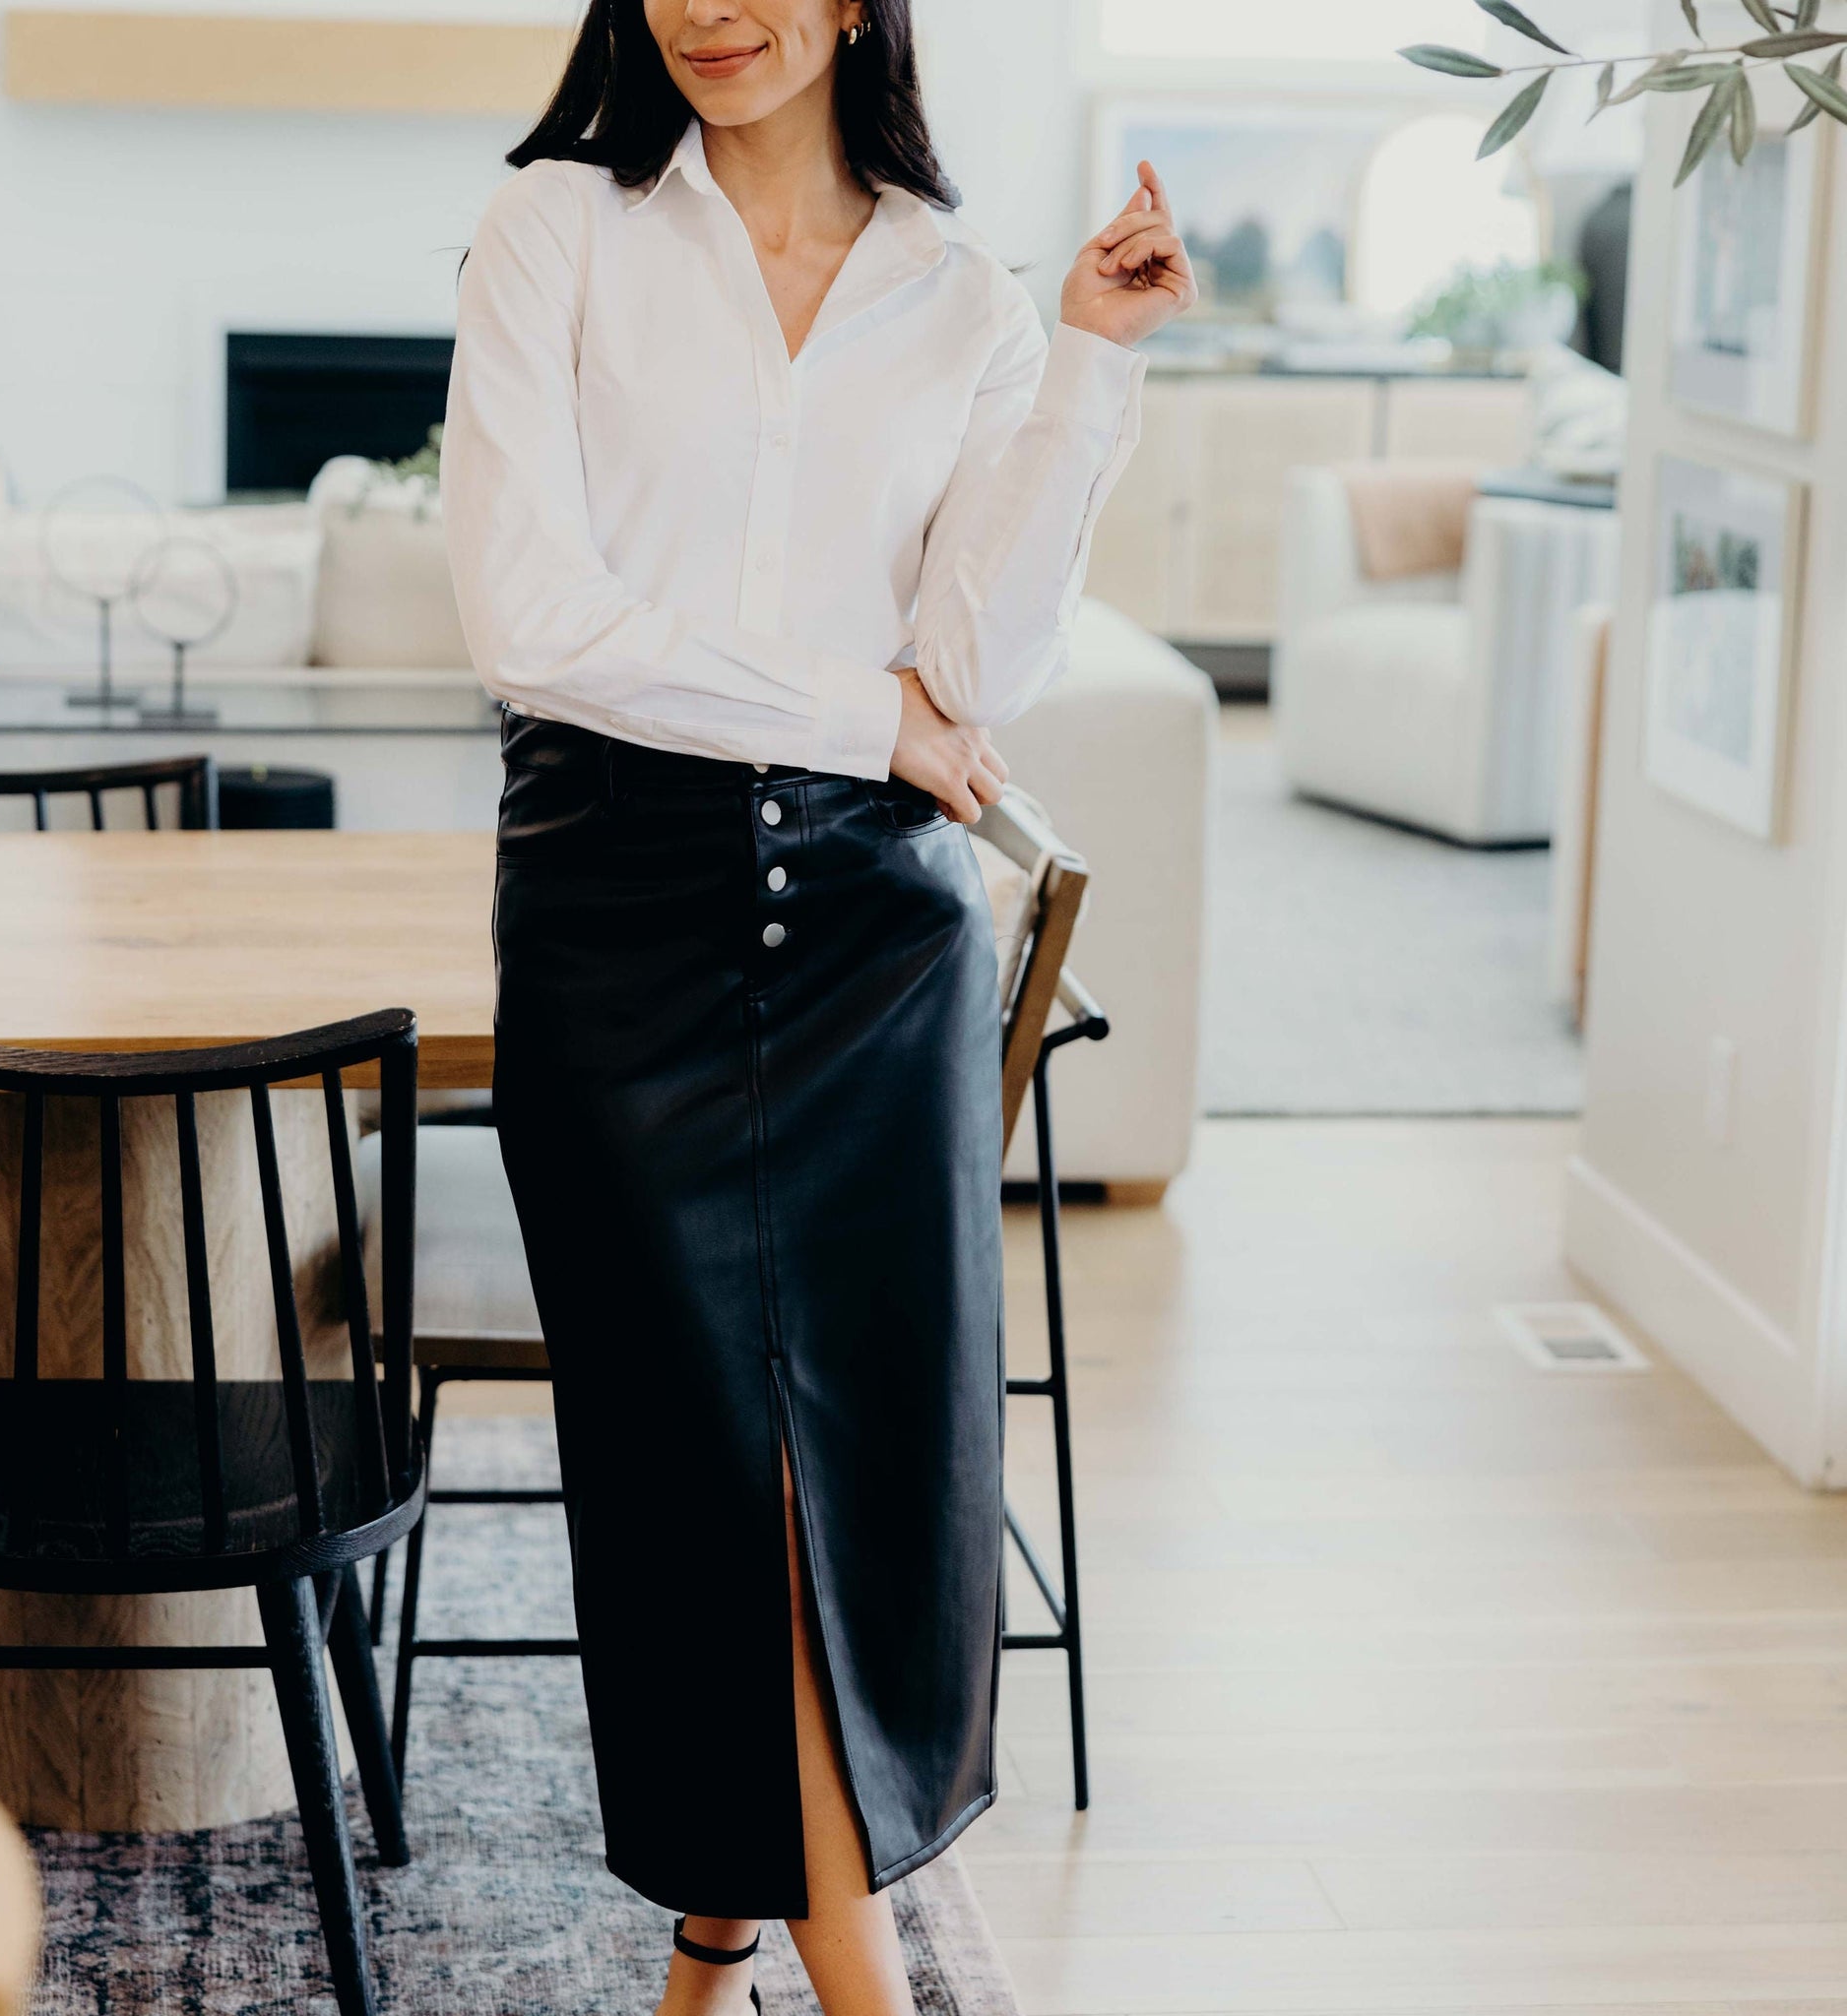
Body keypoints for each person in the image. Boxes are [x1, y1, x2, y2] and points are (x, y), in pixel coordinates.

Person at [439, 5, 1192, 2012]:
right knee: (699, 1455)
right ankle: (846, 1962)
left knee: (854, 1463)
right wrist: (856, 714)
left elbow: (977, 665)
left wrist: (1089, 369)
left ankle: (731, 1952)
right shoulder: (553, 233)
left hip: (873, 936)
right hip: (613, 916)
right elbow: (534, 619)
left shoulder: (962, 304)